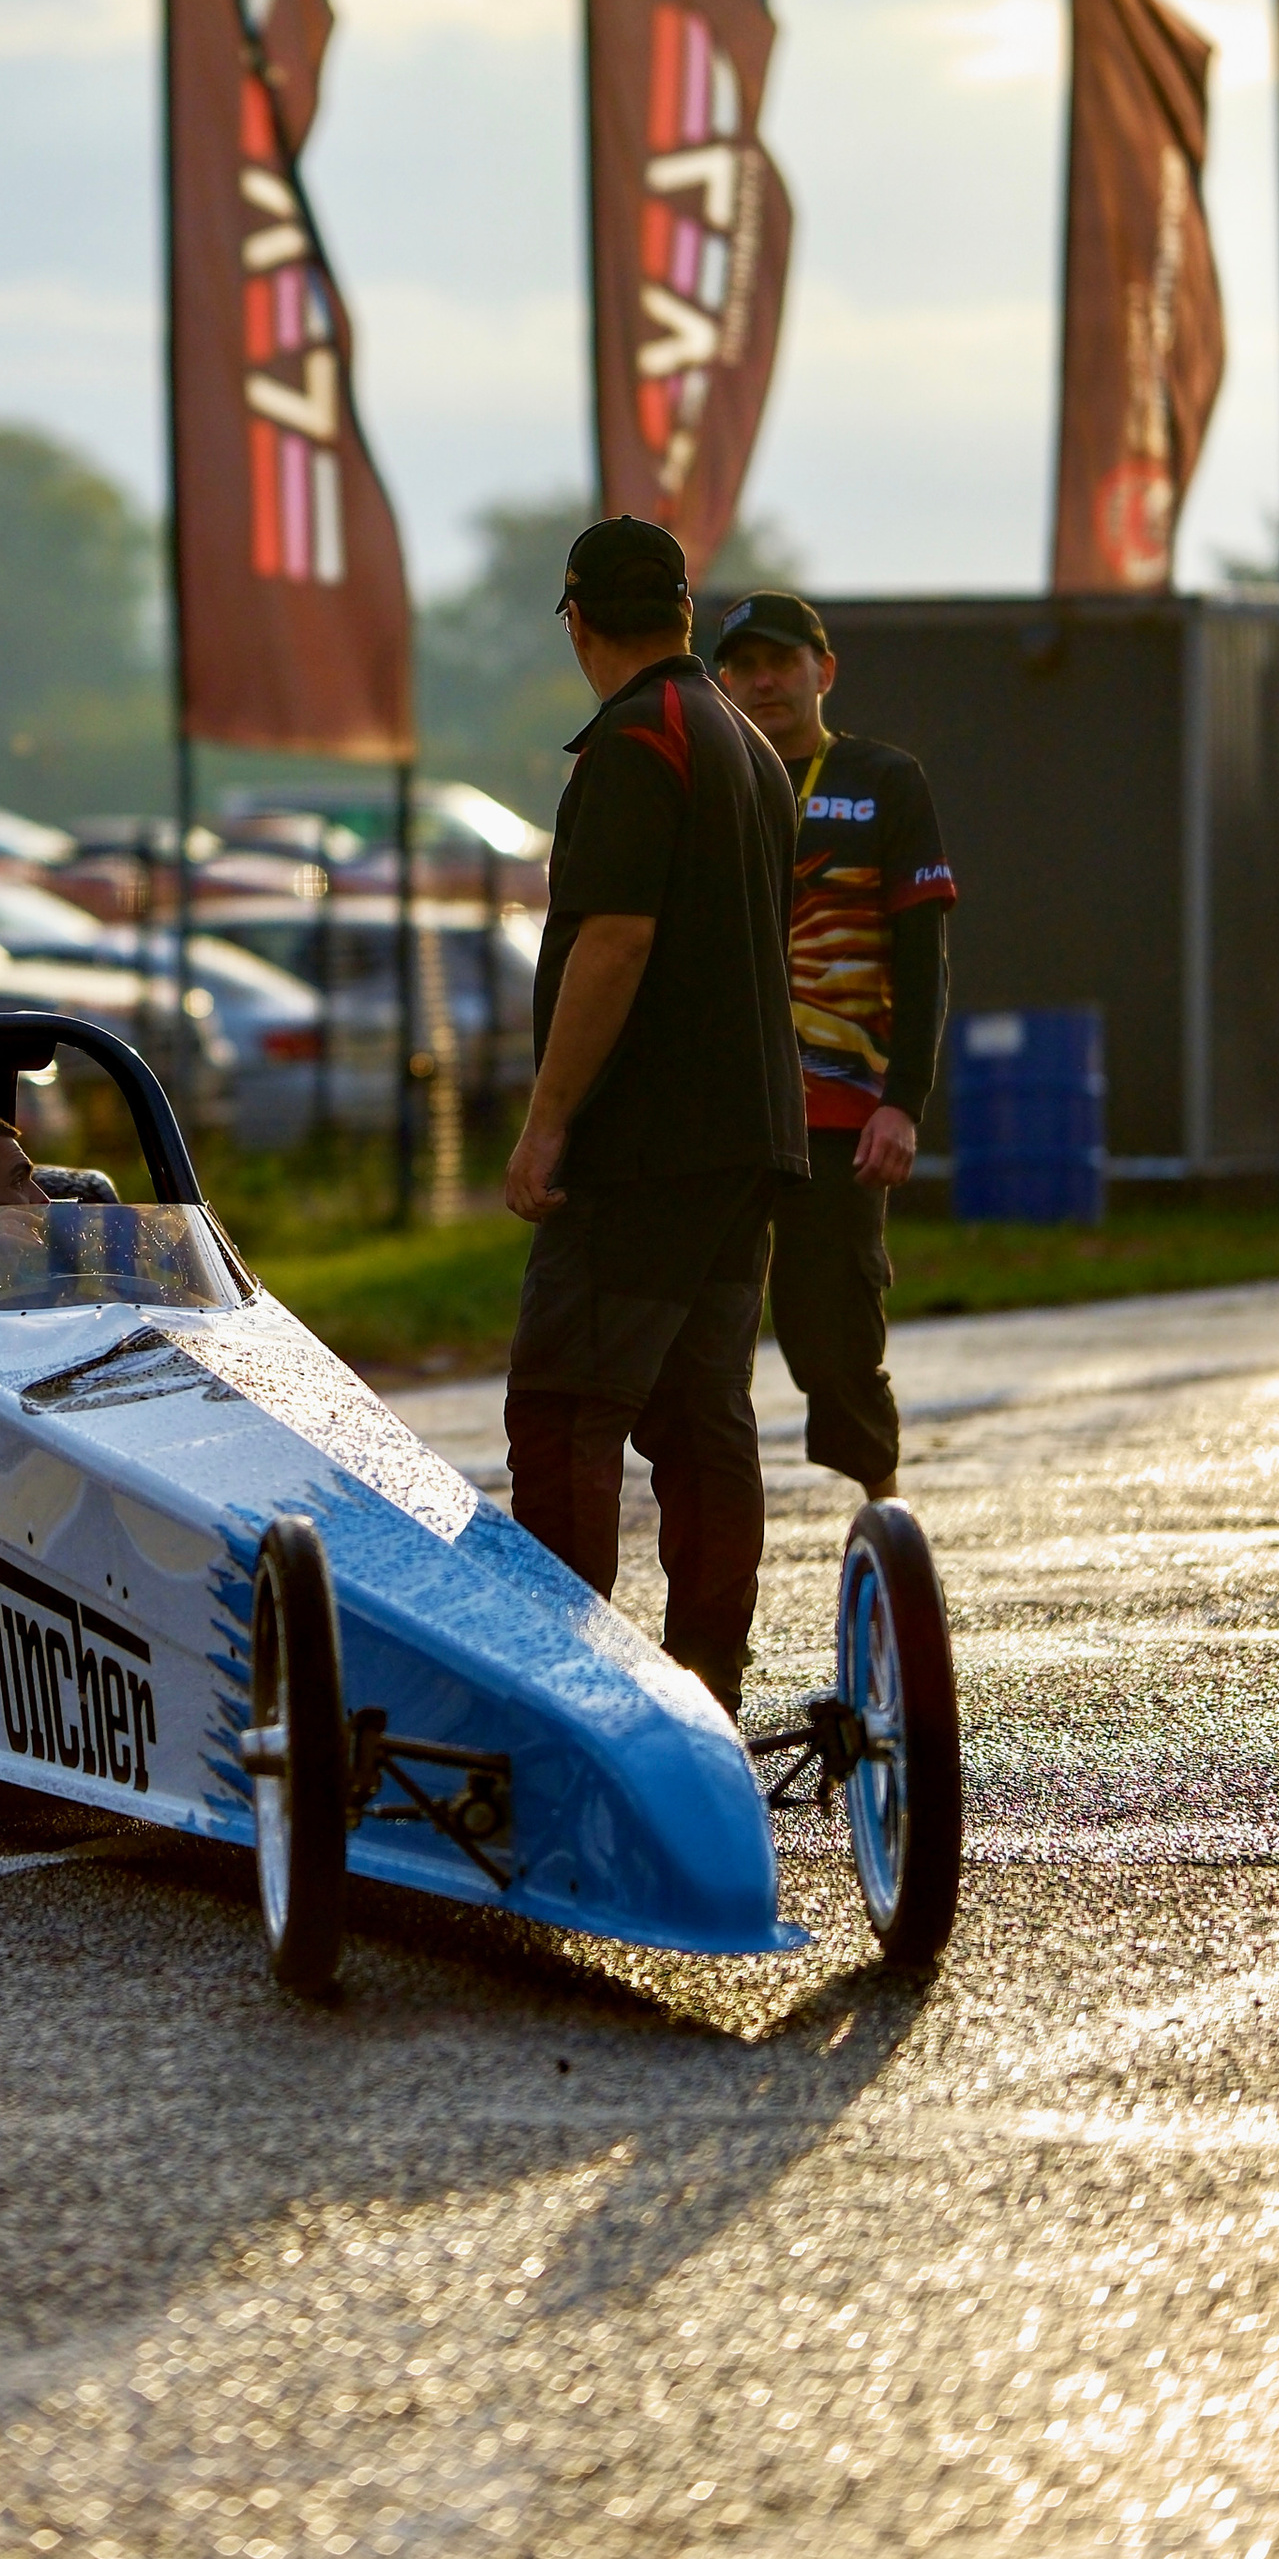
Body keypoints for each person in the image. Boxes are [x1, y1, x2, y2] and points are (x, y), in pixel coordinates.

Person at [501, 516, 806, 1717]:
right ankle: (705, 1692)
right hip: (748, 1144)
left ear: (576, 620)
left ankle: (571, 1704)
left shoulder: (637, 742)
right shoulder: (743, 738)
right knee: (699, 1416)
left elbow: (615, 942)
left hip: (643, 1148)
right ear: (683, 614)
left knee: (566, 1410)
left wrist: (545, 1123)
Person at [713, 587, 957, 1510]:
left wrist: (904, 1101)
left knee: (833, 1337)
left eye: (781, 661)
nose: (763, 680)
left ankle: (887, 1520)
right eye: (742, 666)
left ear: (825, 671)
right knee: (698, 1347)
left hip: (841, 1113)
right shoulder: (709, 781)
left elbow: (925, 954)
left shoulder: (885, 780)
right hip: (724, 1113)